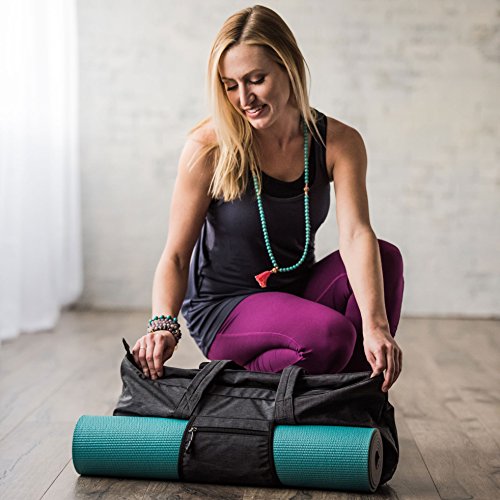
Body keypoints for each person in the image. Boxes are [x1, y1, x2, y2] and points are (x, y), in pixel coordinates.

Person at [132, 5, 404, 393]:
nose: (244, 98)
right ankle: (240, 387)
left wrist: (376, 326)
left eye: (256, 79)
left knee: (385, 258)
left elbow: (356, 233)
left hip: (296, 294)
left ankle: (352, 400)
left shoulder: (339, 142)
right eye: (230, 85)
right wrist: (163, 325)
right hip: (225, 307)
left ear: (288, 67)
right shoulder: (208, 147)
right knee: (331, 337)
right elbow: (175, 255)